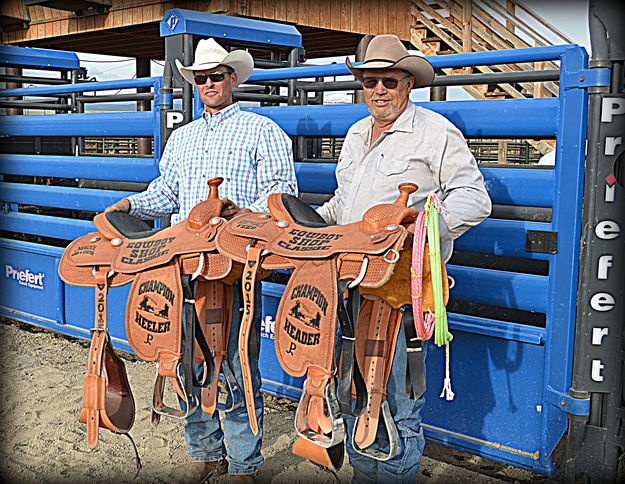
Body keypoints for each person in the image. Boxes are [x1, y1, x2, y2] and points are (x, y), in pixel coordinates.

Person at [106, 38, 298, 483]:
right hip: (180, 264)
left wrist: (235, 212)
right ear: (193, 83)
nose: (209, 83)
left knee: (234, 362)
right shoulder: (182, 137)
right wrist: (132, 207)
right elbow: (166, 194)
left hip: (232, 262)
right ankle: (205, 451)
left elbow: (280, 197)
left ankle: (244, 462)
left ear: (233, 78)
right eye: (201, 78)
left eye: (216, 76)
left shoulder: (261, 130)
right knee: (184, 357)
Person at [316, 34, 491, 483]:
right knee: (354, 386)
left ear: (407, 83)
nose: (378, 90)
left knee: (396, 395)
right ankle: (363, 474)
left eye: (388, 82)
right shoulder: (357, 134)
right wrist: (306, 227)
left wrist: (421, 235)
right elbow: (343, 203)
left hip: (399, 287)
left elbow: (474, 199)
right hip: (349, 279)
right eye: (370, 81)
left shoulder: (435, 132)